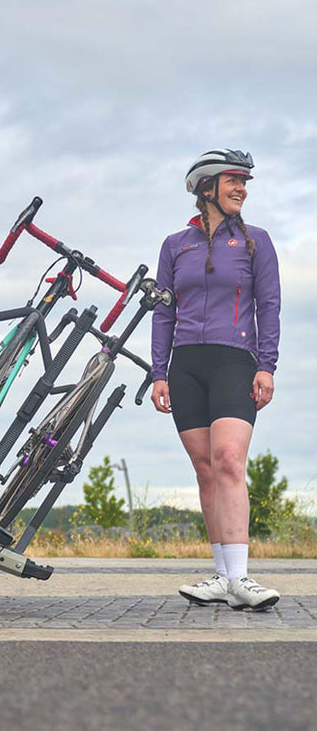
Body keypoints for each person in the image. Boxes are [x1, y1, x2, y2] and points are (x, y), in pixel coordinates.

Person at [150, 149, 281, 611]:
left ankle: (241, 578)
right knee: (205, 468)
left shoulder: (255, 241)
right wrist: (158, 372)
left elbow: (269, 305)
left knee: (228, 460)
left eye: (245, 181)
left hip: (235, 359)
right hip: (185, 364)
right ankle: (223, 576)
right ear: (206, 187)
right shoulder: (174, 245)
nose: (242, 188)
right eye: (233, 180)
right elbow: (164, 311)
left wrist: (267, 364)